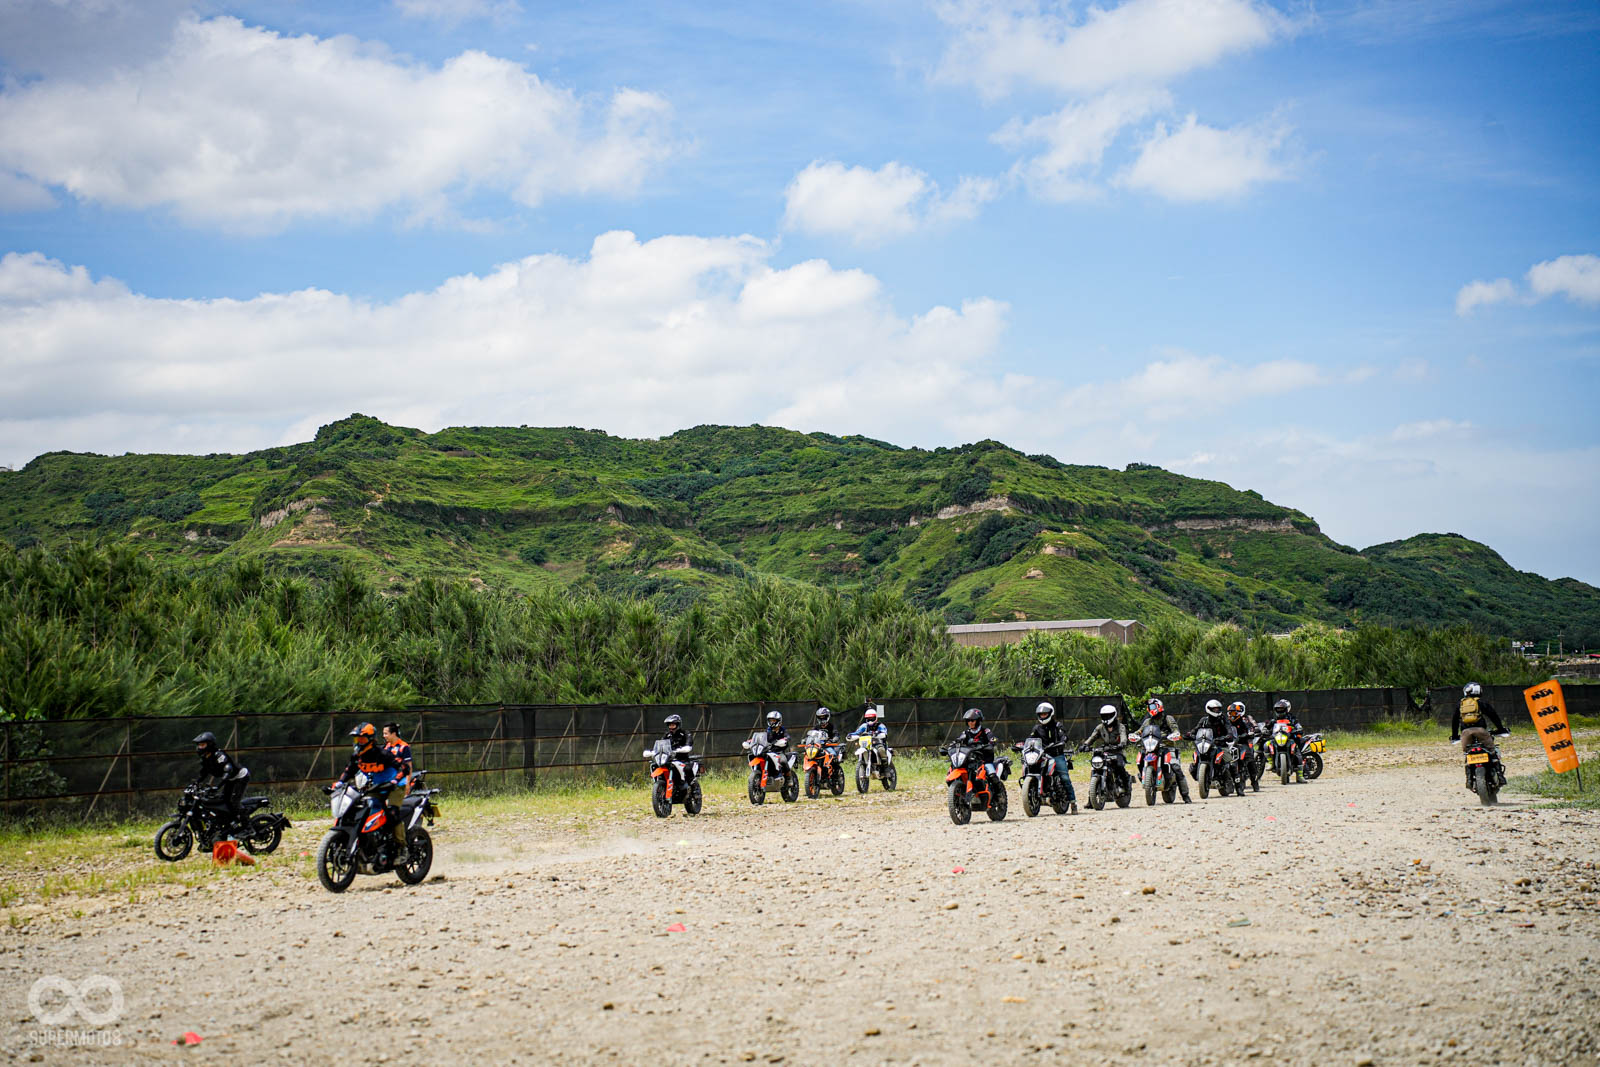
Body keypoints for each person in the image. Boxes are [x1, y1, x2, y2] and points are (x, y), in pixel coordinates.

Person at [336, 723, 407, 852]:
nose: (358, 742)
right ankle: (374, 840)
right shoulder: (358, 757)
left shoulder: (383, 754)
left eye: (362, 739)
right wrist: (340, 783)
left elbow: (404, 768)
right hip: (377, 787)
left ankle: (402, 848)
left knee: (392, 812)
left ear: (371, 740)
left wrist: (395, 780)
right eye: (356, 739)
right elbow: (349, 771)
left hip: (395, 786)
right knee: (366, 809)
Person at [1022, 701, 1077, 813]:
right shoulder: (1037, 728)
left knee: (1065, 777)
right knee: (1028, 767)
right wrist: (1023, 746)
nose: (1043, 716)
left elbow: (1063, 736)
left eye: (1045, 714)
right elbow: (1031, 739)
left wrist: (1062, 741)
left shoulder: (1057, 726)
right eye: (1041, 714)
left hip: (1056, 754)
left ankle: (1072, 802)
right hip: (1041, 754)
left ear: (1051, 714)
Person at [193, 731, 250, 833]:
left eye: (202, 745)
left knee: (234, 802)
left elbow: (228, 770)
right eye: (199, 745)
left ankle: (247, 826)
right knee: (223, 801)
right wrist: (195, 783)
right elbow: (204, 773)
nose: (200, 747)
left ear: (209, 744)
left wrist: (217, 787)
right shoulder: (206, 758)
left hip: (240, 776)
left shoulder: (219, 755)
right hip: (230, 779)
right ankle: (230, 823)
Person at [1140, 699, 1191, 803]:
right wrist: (1135, 735)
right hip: (1151, 748)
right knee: (1140, 758)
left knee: (1176, 768)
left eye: (1153, 707)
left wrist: (1175, 734)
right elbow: (1140, 730)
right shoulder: (1148, 721)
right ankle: (1144, 776)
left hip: (1167, 747)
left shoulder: (1168, 718)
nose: (1151, 709)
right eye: (1150, 707)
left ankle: (1186, 796)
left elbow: (1175, 729)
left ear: (1159, 706)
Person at [1451, 682, 1510, 764]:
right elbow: (1493, 716)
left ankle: (1469, 774)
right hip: (1481, 731)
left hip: (1465, 733)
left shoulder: (1460, 704)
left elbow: (1454, 721)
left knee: (1467, 754)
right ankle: (1499, 773)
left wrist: (1454, 736)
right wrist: (1500, 729)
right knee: (1492, 752)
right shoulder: (1481, 703)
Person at [1080, 704, 1132, 793]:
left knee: (1119, 765)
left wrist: (1122, 744)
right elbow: (1092, 737)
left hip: (1117, 751)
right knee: (1095, 766)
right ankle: (1091, 798)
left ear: (1114, 715)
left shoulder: (1120, 726)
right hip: (1105, 750)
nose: (1106, 717)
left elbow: (1123, 737)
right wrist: (1085, 745)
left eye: (1108, 715)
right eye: (1104, 716)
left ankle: (1126, 784)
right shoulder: (1100, 727)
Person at [1188, 699, 1237, 779]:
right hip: (1207, 745)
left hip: (1221, 745)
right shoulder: (1204, 720)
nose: (1217, 710)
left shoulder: (1223, 719)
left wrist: (1228, 736)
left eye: (1218, 709)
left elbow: (1229, 730)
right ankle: (1200, 774)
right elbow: (1195, 730)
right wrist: (1190, 734)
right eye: (1214, 709)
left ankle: (1238, 786)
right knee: (1195, 760)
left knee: (1231, 763)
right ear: (1209, 709)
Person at [955, 708, 999, 780]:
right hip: (970, 760)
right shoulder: (965, 733)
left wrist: (991, 743)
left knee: (992, 776)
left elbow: (993, 738)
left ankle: (1000, 790)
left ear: (978, 721)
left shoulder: (985, 731)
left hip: (984, 761)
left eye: (972, 720)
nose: (970, 722)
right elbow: (958, 741)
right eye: (968, 720)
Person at [382, 722, 414, 796]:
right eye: (383, 734)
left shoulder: (404, 746)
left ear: (393, 734)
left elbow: (409, 766)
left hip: (400, 779)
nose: (384, 736)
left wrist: (407, 783)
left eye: (386, 734)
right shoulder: (386, 747)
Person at [663, 714, 696, 783]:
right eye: (670, 725)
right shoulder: (667, 735)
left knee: (687, 769)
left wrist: (686, 747)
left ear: (678, 725)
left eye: (673, 725)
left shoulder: (685, 733)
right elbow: (661, 743)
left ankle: (695, 789)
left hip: (682, 759)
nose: (671, 727)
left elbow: (689, 742)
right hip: (669, 759)